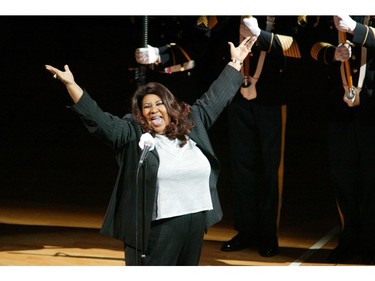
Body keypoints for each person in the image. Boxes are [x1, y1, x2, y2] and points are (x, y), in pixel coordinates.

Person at [45, 36, 257, 266]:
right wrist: (71, 85)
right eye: (147, 106)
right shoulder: (133, 135)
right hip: (159, 226)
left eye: (159, 104)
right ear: (140, 113)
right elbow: (98, 118)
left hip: (195, 221)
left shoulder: (192, 123)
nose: (153, 110)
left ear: (170, 106)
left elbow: (216, 97)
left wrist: (235, 63)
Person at [220, 16, 316, 257]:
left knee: (272, 169)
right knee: (242, 165)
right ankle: (245, 230)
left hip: (272, 96)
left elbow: (299, 47)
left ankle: (268, 233)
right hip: (236, 93)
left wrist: (262, 36)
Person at [309, 15, 375, 264]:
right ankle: (349, 238)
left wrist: (357, 29)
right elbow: (311, 44)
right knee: (343, 177)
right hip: (338, 104)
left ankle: (371, 241)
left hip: (372, 104)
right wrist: (333, 53)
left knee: (372, 177)